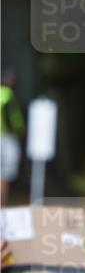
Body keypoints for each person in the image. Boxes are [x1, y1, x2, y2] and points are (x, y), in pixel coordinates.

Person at [0, 68, 25, 205]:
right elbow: (14, 118)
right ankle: (2, 203)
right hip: (6, 137)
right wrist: (19, 130)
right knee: (5, 173)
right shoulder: (8, 95)